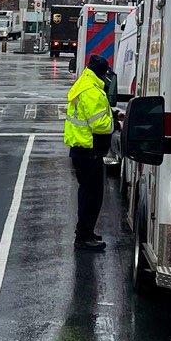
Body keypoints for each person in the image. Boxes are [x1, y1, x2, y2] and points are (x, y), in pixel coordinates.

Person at [64, 53, 114, 251]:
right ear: (101, 74)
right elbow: (99, 124)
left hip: (82, 150)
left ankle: (86, 232)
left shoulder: (84, 84)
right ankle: (84, 237)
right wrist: (115, 123)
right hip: (89, 151)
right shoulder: (92, 91)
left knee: (87, 194)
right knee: (92, 196)